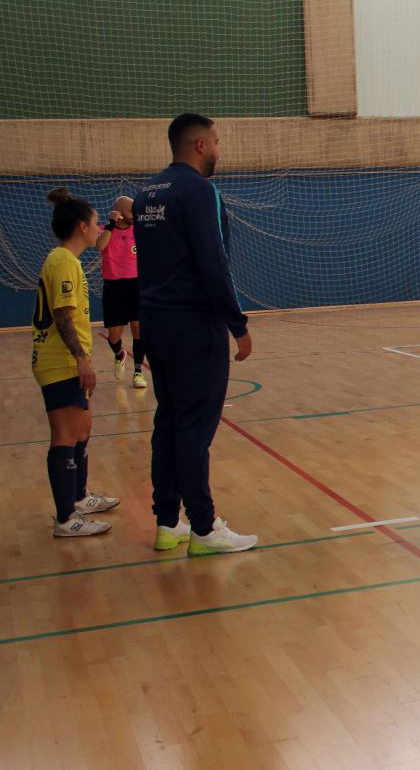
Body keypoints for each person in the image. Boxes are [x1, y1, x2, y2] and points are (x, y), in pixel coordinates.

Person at [133, 113, 257, 555]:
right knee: (193, 428)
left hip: (156, 322)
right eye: (217, 142)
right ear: (201, 145)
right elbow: (213, 262)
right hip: (193, 325)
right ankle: (203, 527)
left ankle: (168, 523)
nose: (220, 151)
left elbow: (144, 265)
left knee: (168, 420)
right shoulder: (199, 191)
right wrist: (237, 324)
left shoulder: (147, 193)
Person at [33, 188, 120, 537]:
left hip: (68, 362)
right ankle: (66, 519)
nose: (100, 229)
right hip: (60, 363)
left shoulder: (67, 260)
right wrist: (82, 359)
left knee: (82, 429)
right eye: (97, 224)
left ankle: (80, 498)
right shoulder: (64, 262)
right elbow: (63, 316)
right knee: (65, 435)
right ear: (82, 226)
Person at [96, 195, 147, 389]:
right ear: (119, 213)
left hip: (135, 284)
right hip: (114, 287)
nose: (133, 215)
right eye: (129, 212)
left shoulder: (138, 230)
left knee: (138, 329)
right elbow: (100, 245)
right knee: (114, 336)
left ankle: (138, 372)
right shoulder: (104, 229)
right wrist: (110, 223)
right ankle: (119, 354)